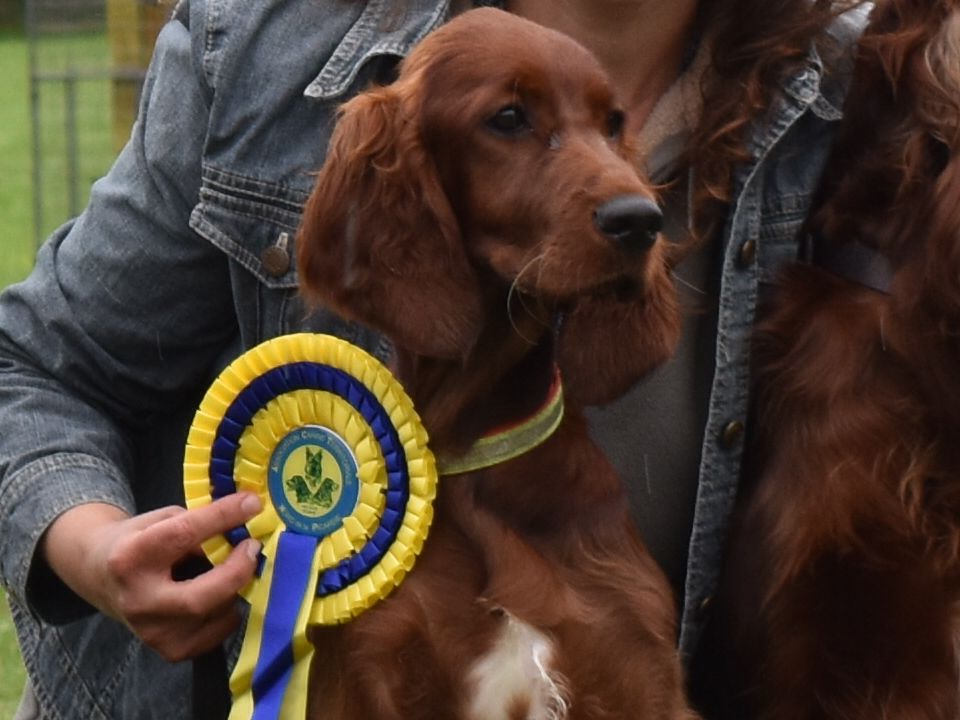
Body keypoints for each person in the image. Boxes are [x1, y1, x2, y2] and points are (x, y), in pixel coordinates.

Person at [0, 0, 871, 717]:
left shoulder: (873, 93)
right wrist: (92, 545)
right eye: (508, 123)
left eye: (610, 131)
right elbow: (31, 365)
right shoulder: (266, 47)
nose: (617, 186)